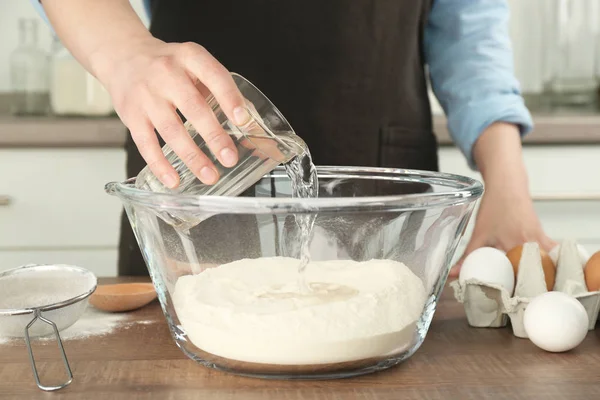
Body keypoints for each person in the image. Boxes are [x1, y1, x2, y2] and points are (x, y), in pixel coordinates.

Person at [31, 0, 555, 277]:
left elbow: (470, 28)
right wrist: (123, 51)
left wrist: (507, 187)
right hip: (197, 169)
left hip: (379, 191)